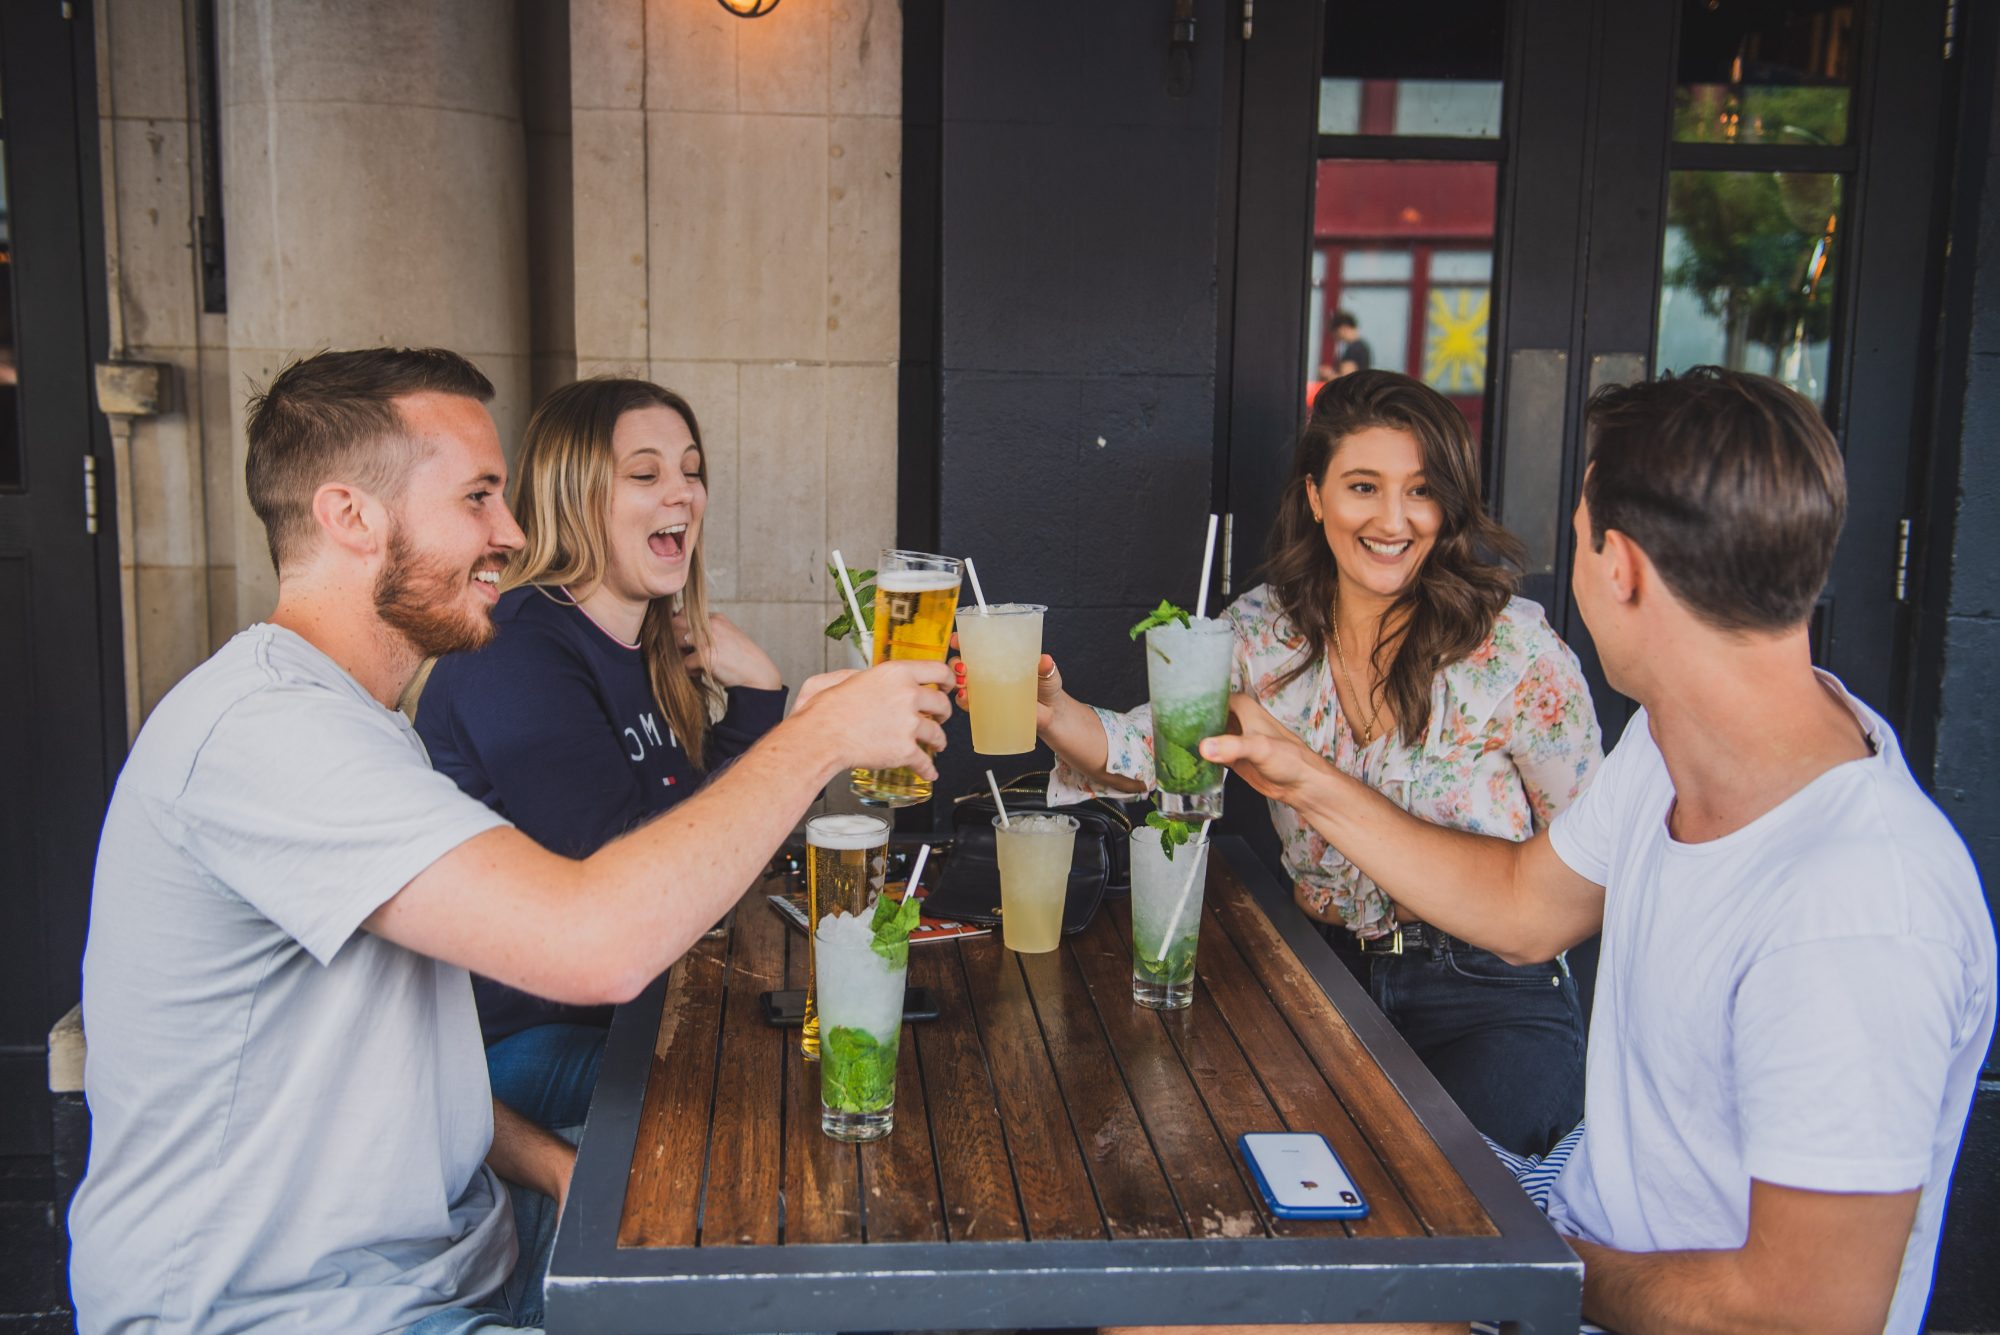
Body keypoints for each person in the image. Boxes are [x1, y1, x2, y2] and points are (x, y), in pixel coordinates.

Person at [67, 348, 953, 1335]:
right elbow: (597, 944)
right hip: (284, 1313)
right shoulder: (268, 734)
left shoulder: (363, 728)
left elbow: (417, 1065)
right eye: (478, 498)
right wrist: (815, 736)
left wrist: (562, 1169)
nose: (515, 533)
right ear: (350, 515)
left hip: (459, 1251)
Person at [1204, 367, 1995, 1333]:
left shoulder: (1860, 907)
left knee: (1204, 1314)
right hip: (1573, 1212)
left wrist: (1517, 1258)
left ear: (1618, 567)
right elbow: (1524, 909)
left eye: (1576, 534)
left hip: (1609, 1290)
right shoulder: (1667, 749)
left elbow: (1807, 1316)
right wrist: (1305, 777)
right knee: (1201, 1276)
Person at [1031, 370, 1603, 1155]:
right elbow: (1158, 752)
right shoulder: (1261, 632)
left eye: (1421, 490)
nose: (1393, 520)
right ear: (1315, 495)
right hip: (1321, 970)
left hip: (1488, 993)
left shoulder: (1517, 650)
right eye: (1363, 487)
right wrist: (1053, 710)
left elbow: (1592, 860)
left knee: (1459, 1192)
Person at [415, 378, 786, 1130]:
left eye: (691, 470)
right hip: (515, 1051)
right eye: (646, 474)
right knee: (769, 1089)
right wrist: (780, 717)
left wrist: (756, 694)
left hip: (629, 1008)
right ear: (573, 495)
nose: (682, 493)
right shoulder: (516, 651)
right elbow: (642, 890)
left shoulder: (649, 647)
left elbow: (702, 833)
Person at [1333, 310, 1373, 376]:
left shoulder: (1354, 349)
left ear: (1343, 327)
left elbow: (1346, 376)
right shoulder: (1362, 346)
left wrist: (1329, 375)